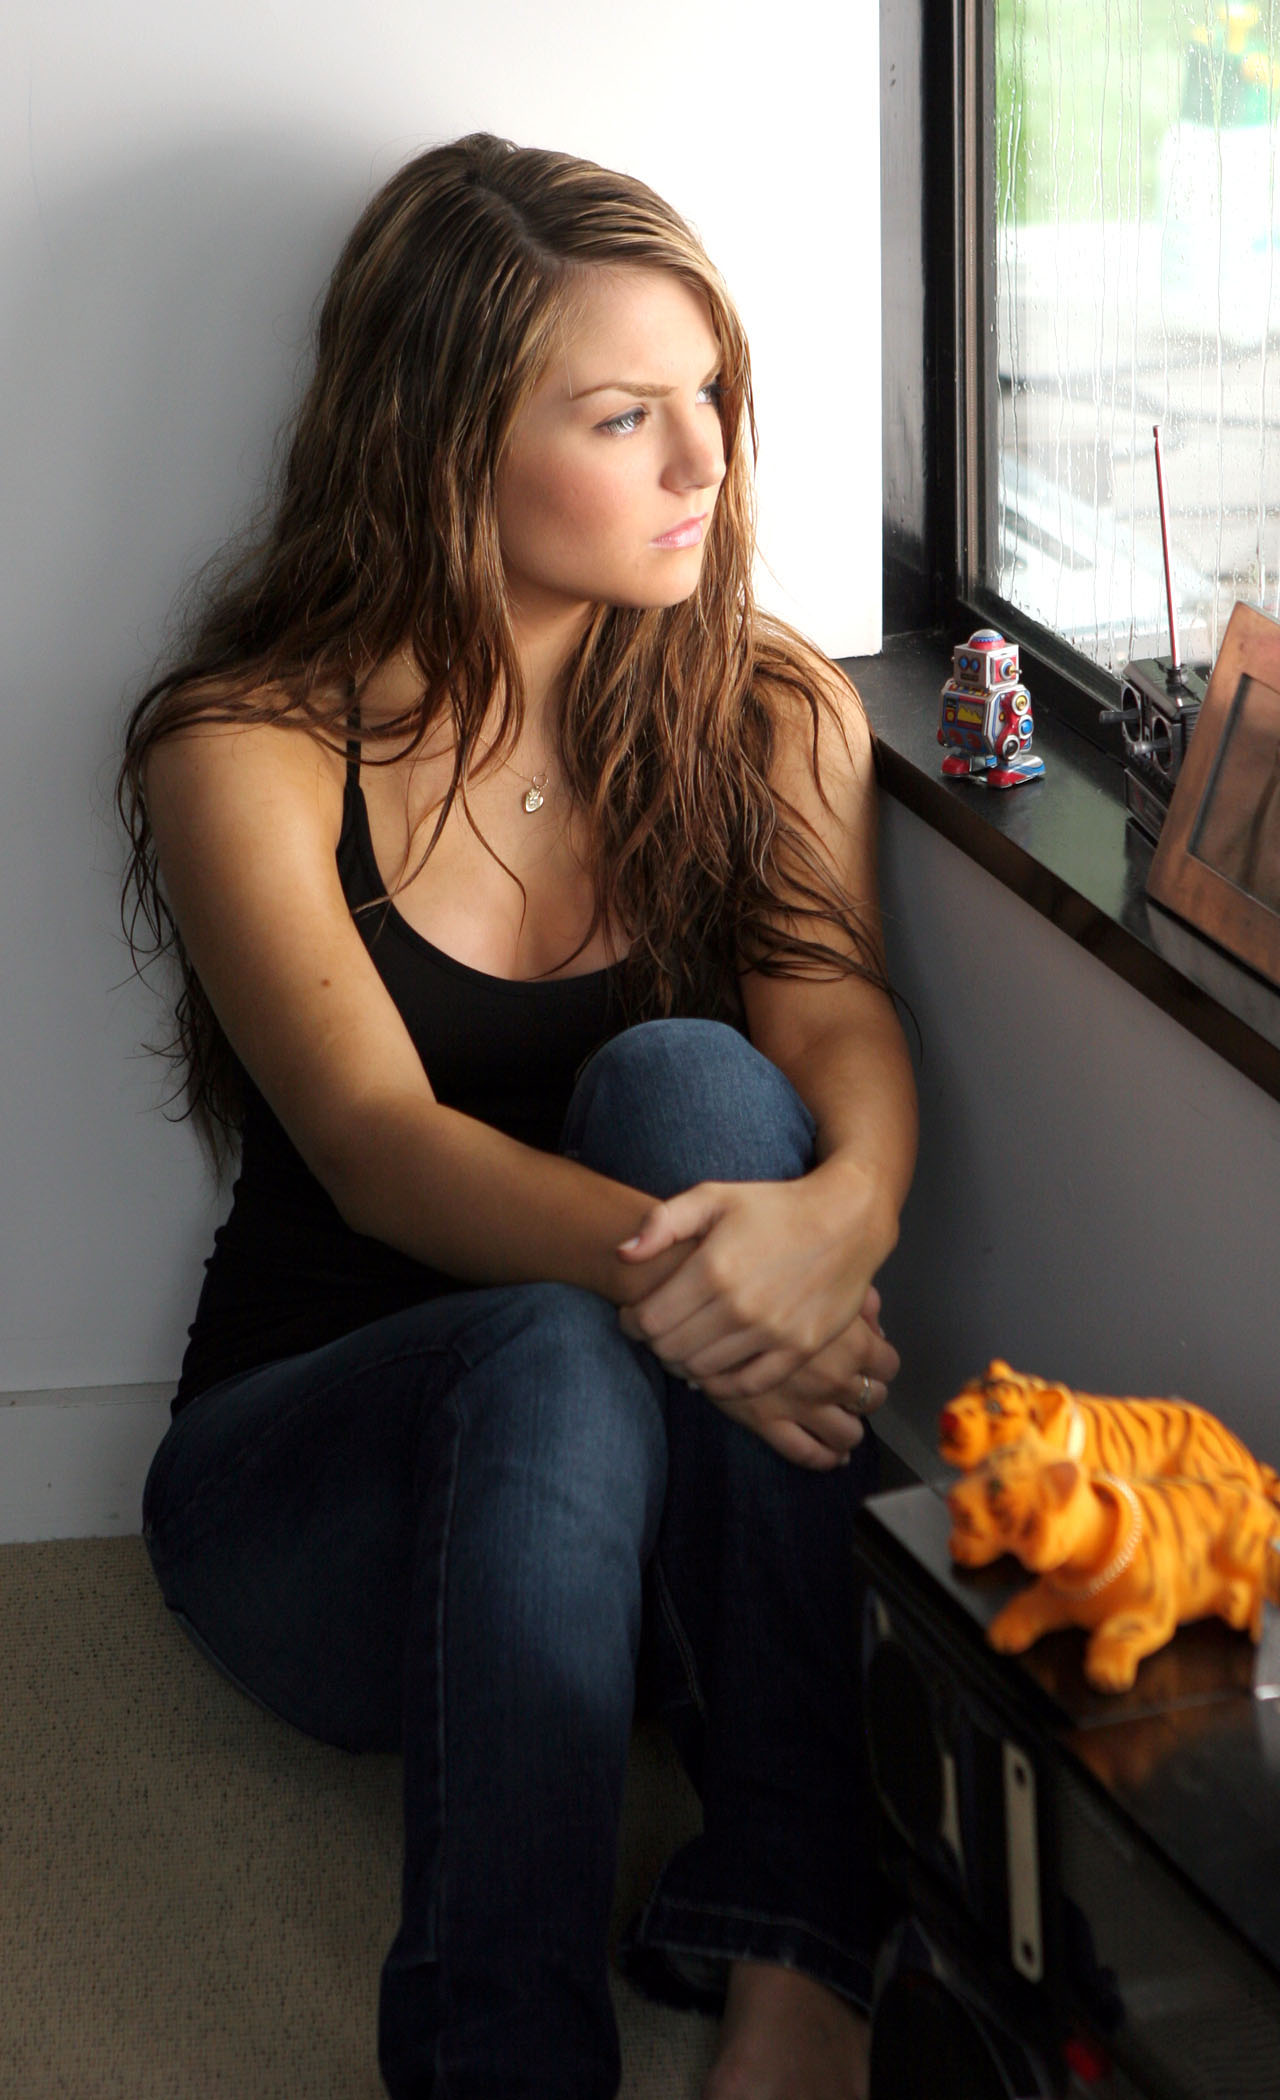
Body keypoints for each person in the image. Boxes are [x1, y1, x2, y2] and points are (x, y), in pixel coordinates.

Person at [117, 132, 917, 2100]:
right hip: (318, 1508)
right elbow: (377, 1149)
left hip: (659, 1540)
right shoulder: (251, 745)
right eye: (624, 415)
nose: (704, 459)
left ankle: (801, 1928)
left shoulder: (771, 709)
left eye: (710, 394)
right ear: (441, 438)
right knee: (555, 1346)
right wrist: (725, 1274)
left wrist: (841, 1225)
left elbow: (835, 1017)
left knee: (694, 1079)